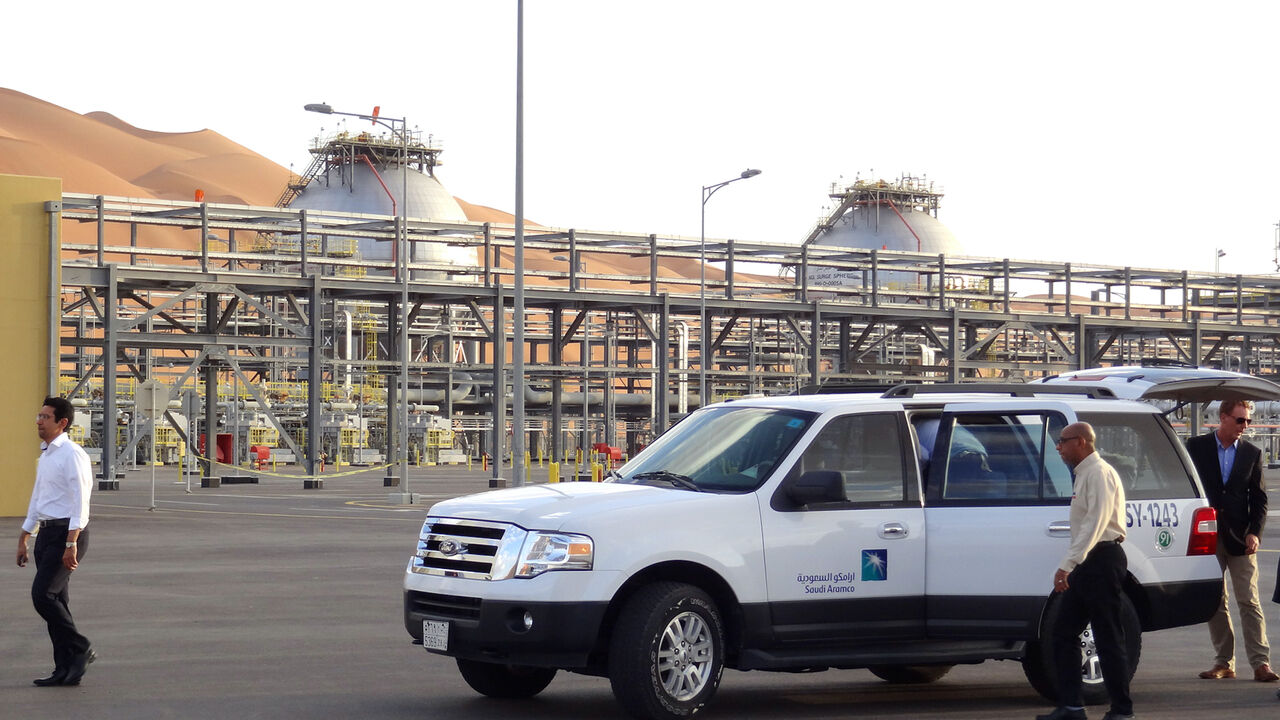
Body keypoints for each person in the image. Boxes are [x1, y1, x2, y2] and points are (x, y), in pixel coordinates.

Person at [1037, 422, 1133, 720]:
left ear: (1080, 442)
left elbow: (1095, 525)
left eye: (1062, 441)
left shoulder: (1100, 473)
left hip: (1102, 560)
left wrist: (1067, 564)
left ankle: (1122, 710)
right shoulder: (1083, 475)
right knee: (1063, 631)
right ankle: (1072, 706)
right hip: (1088, 562)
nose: (1058, 447)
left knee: (1107, 636)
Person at [1185, 399, 1277, 683]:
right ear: (1222, 418)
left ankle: (1261, 663)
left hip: (1241, 537)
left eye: (1248, 421)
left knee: (1249, 600)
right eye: (1240, 420)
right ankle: (1224, 661)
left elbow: (1259, 499)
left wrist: (1255, 532)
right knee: (1216, 600)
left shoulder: (1251, 452)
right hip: (1208, 534)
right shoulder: (1196, 447)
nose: (1245, 426)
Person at [15, 397, 97, 687]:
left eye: (45, 417)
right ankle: (66, 669)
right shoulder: (47, 456)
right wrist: (25, 535)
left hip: (68, 533)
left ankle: (80, 645)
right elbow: (39, 498)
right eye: (38, 415)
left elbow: (81, 501)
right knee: (58, 600)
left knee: (43, 595)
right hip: (47, 533)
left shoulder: (73, 454)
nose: (39, 421)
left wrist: (71, 542)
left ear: (62, 422)